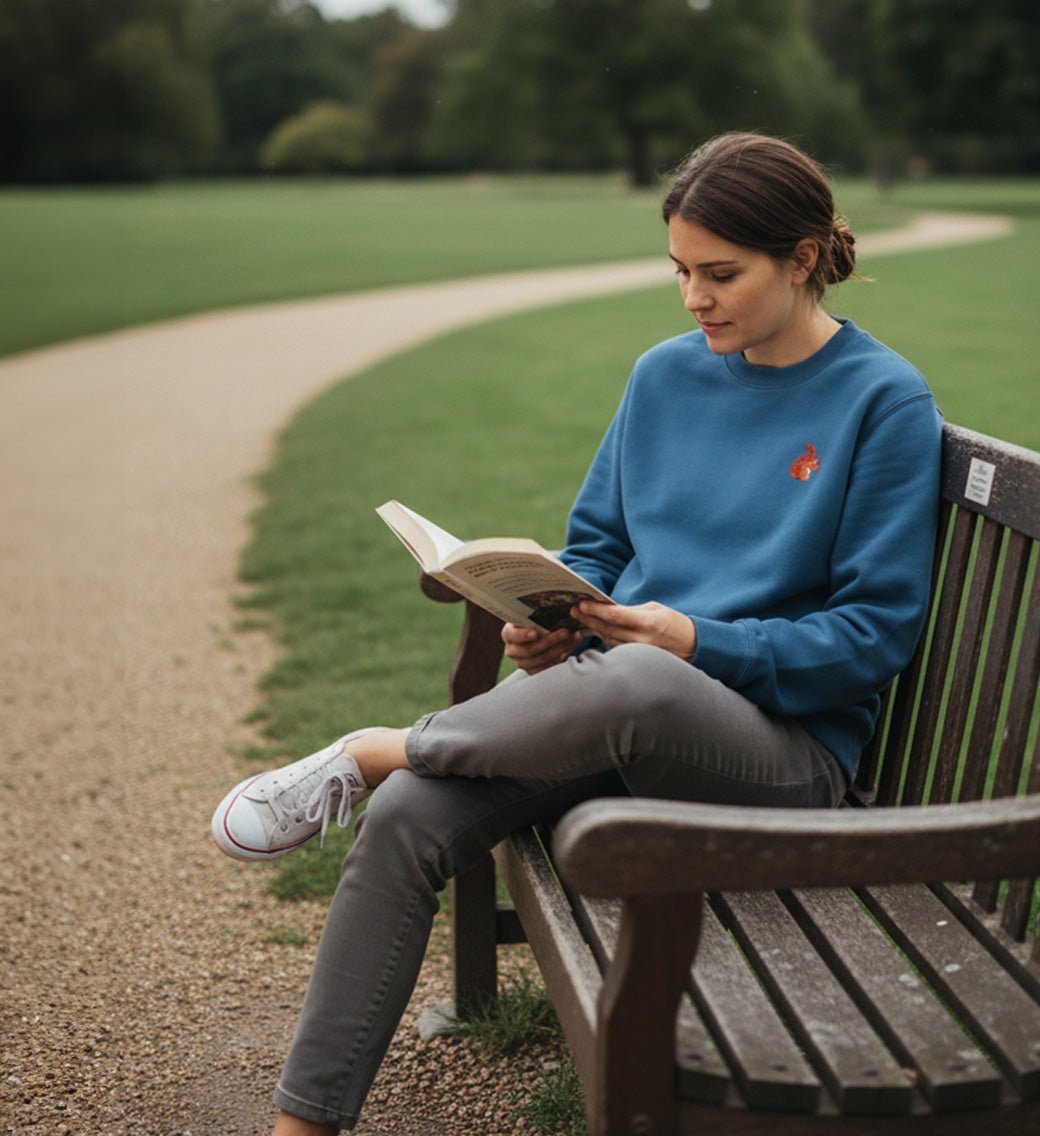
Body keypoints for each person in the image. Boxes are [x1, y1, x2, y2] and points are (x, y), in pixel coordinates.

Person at [211, 132, 942, 1136]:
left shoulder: (883, 400)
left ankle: (377, 748)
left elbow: (871, 638)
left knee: (640, 684)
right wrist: (549, 621)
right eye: (681, 272)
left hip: (778, 758)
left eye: (722, 274)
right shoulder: (663, 376)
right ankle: (305, 1122)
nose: (696, 299)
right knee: (410, 816)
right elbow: (597, 543)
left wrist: (692, 641)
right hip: (612, 706)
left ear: (805, 257)